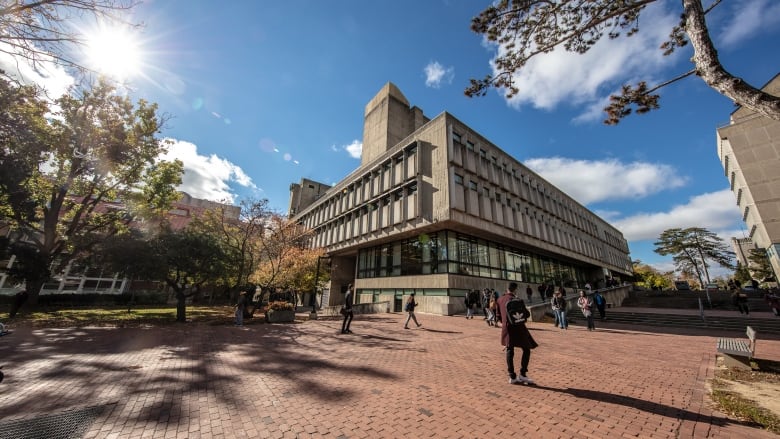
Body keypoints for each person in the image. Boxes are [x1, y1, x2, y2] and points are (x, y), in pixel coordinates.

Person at [496, 282, 538, 385]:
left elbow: (498, 317)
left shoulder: (500, 300)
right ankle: (523, 374)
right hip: (519, 329)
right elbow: (526, 314)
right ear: (515, 289)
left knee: (510, 351)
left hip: (507, 329)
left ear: (507, 289)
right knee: (526, 349)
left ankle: (512, 376)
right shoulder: (518, 300)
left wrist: (504, 324)